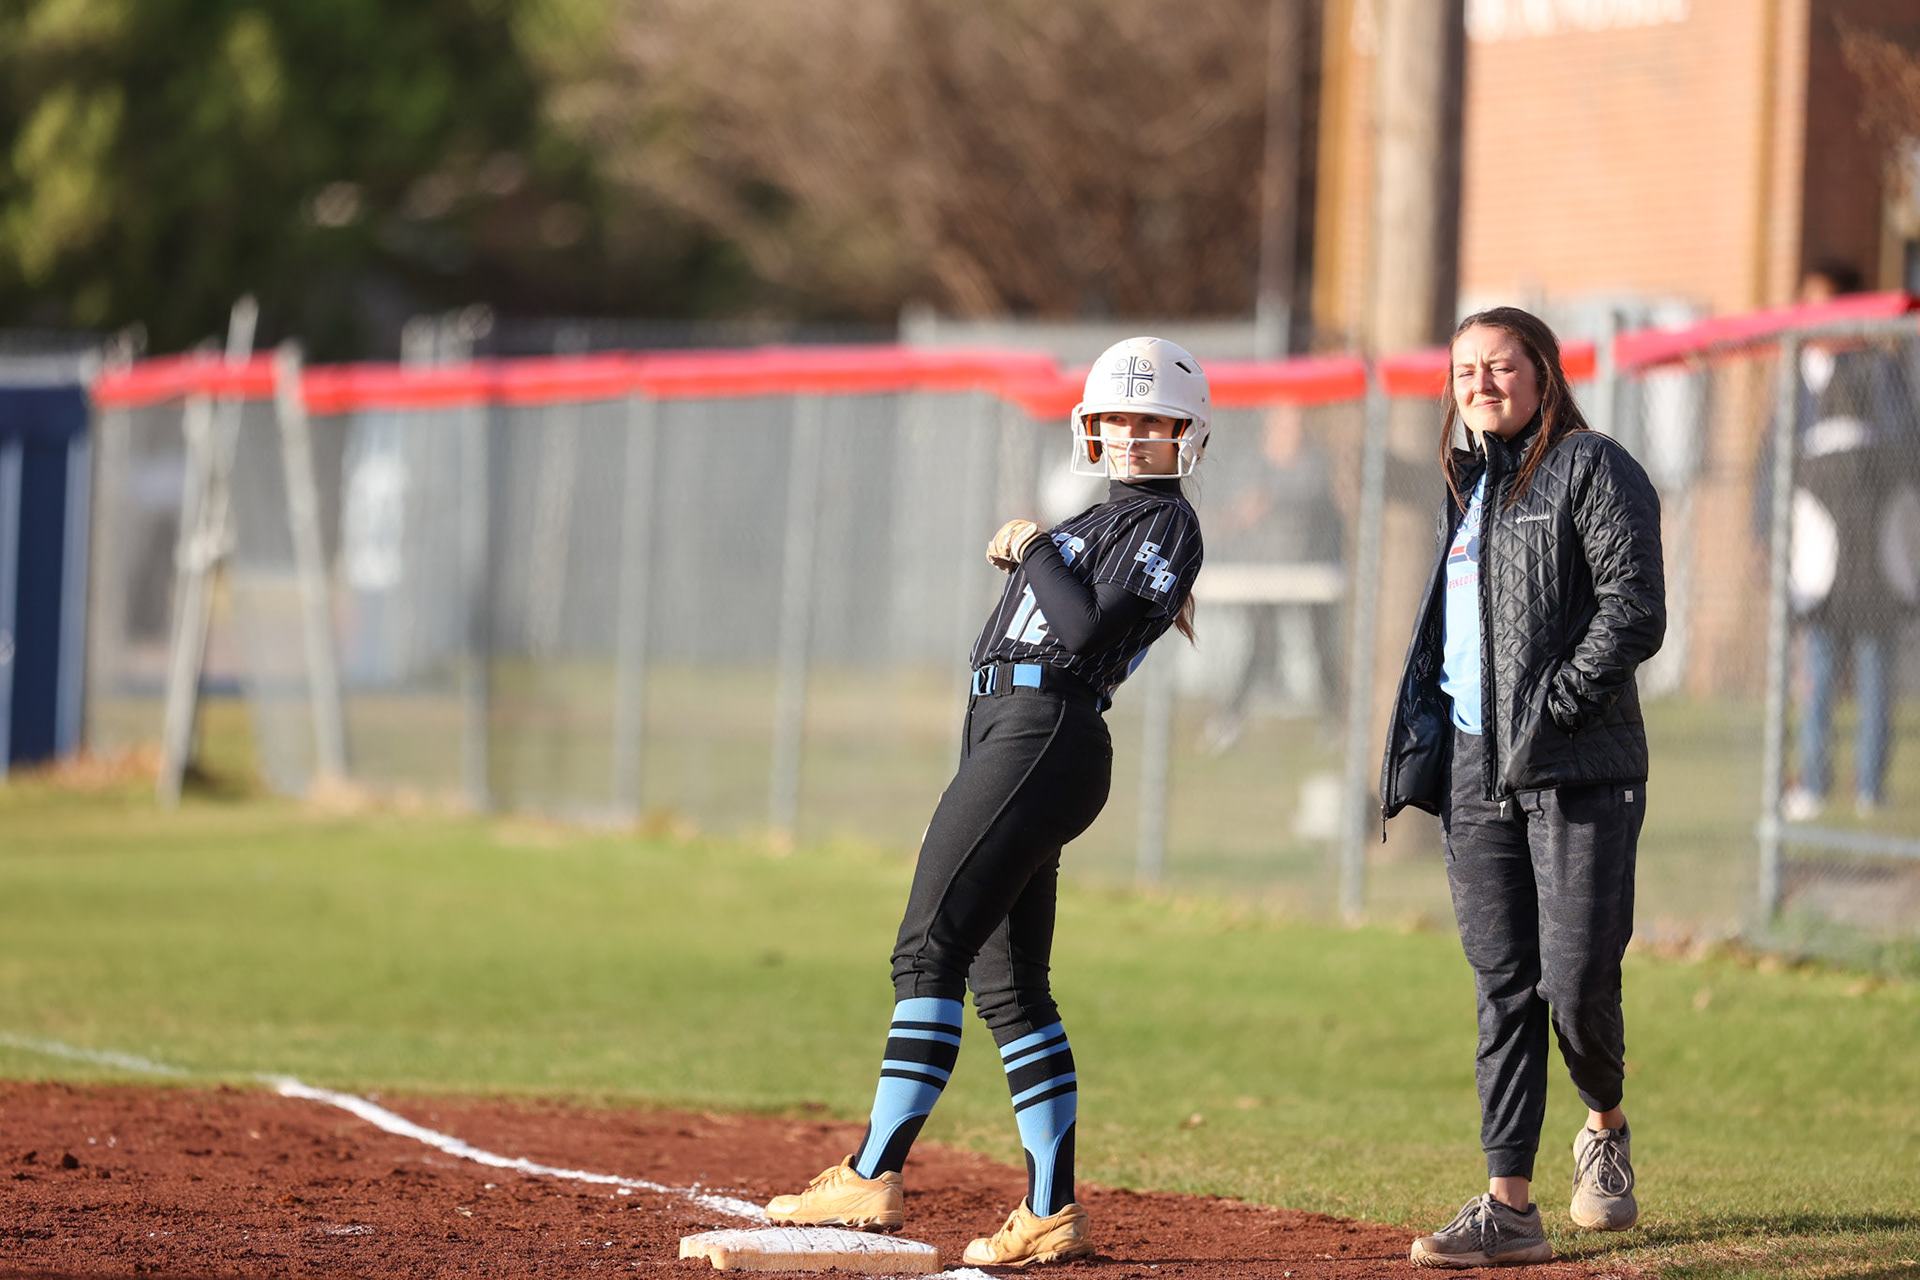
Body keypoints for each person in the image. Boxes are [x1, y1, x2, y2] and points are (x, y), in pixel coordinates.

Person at [763, 337, 1208, 1267]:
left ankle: (873, 1169)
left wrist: (1036, 546)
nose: (1131, 436)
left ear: (1184, 434)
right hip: (1011, 733)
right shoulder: (1097, 518)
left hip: (1047, 732)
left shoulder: (1168, 527)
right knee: (1010, 988)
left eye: (1150, 420)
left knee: (929, 947)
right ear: (1093, 427)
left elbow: (1083, 632)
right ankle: (1050, 1208)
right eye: (1117, 418)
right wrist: (1049, 545)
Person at [1380, 307, 1665, 1268]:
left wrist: (1554, 709)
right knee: (1504, 987)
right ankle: (1509, 1207)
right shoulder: (1470, 490)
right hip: (1474, 770)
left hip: (1576, 764)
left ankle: (1605, 1126)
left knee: (1576, 983)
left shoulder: (1593, 466)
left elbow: (1635, 608)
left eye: (1499, 366)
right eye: (1464, 371)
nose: (1480, 384)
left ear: (1542, 372)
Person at [1768, 264, 1920, 821]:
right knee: (1819, 673)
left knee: (1877, 670)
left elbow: (1907, 450)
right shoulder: (1792, 373)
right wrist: (1768, 533)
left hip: (1873, 550)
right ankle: (1813, 779)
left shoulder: (1881, 370)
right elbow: (1771, 462)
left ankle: (1871, 788)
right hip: (1814, 556)